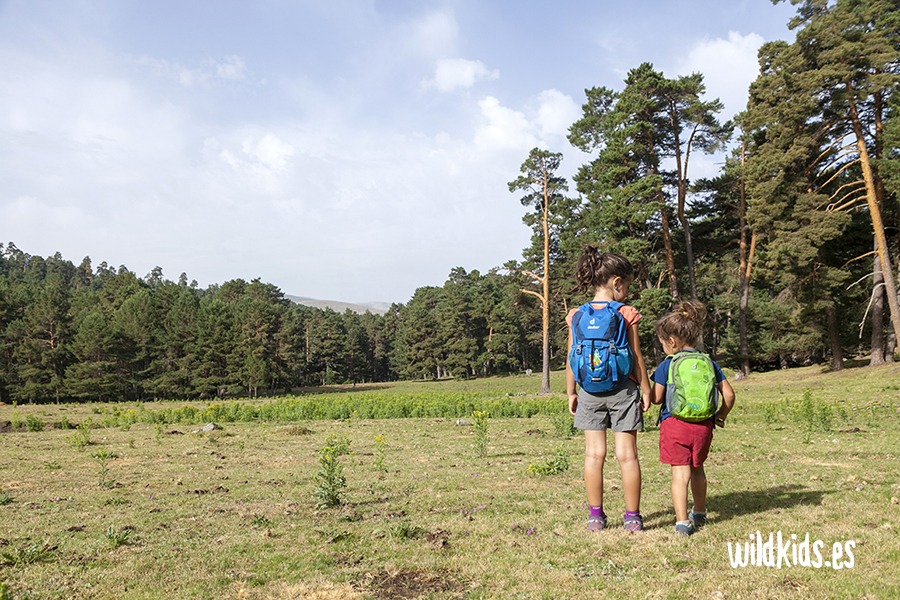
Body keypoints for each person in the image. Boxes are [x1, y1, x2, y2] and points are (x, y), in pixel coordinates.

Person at [566, 247, 652, 532]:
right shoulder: (627, 313)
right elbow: (637, 356)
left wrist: (571, 392)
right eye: (626, 286)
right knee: (627, 455)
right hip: (623, 390)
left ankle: (595, 516)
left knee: (593, 455)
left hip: (589, 391)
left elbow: (570, 357)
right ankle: (632, 517)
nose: (626, 292)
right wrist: (646, 388)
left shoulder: (576, 315)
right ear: (617, 282)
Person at [651, 300, 735, 536]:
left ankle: (681, 521)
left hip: (675, 424)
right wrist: (720, 415)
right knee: (698, 468)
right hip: (703, 426)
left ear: (672, 342)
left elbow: (657, 398)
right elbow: (729, 394)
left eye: (662, 343)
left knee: (680, 473)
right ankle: (699, 512)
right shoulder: (709, 362)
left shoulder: (667, 365)